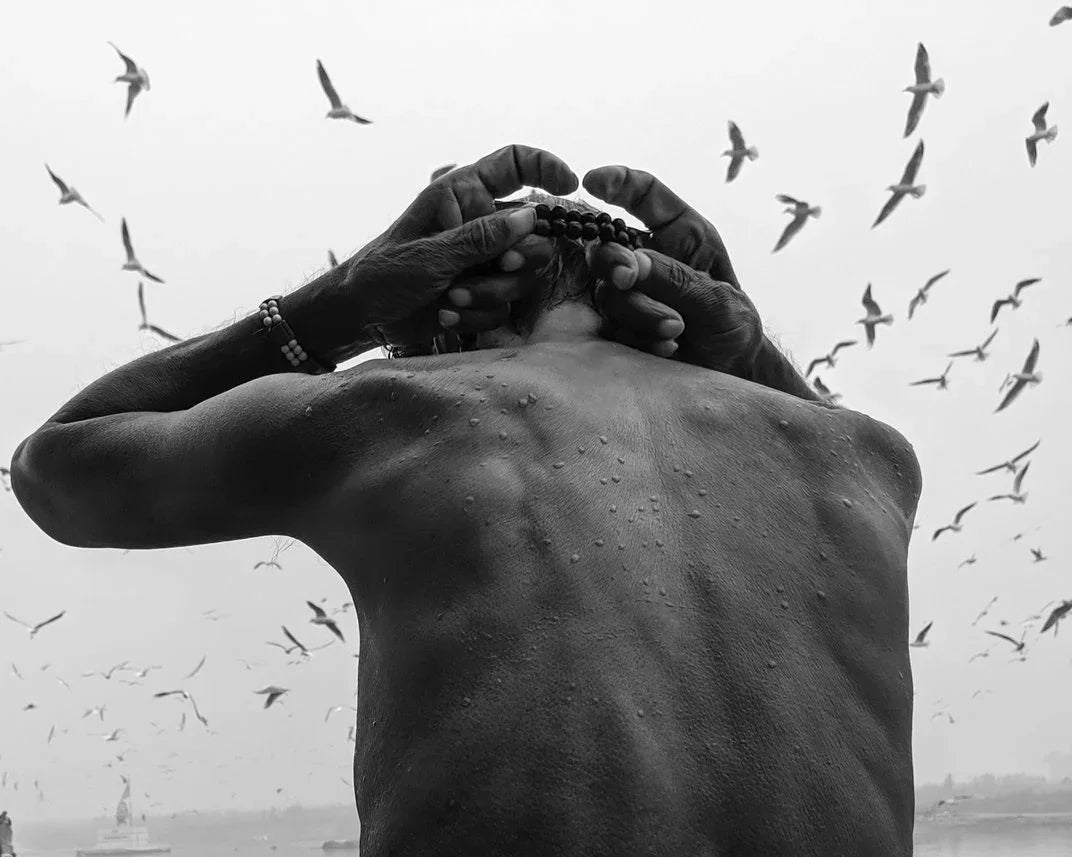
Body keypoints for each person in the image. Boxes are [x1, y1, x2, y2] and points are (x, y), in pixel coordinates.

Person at [11, 145, 922, 857]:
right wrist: (749, 348)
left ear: (457, 315)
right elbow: (792, 408)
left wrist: (341, 304)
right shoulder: (868, 461)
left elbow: (57, 471)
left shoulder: (404, 414)